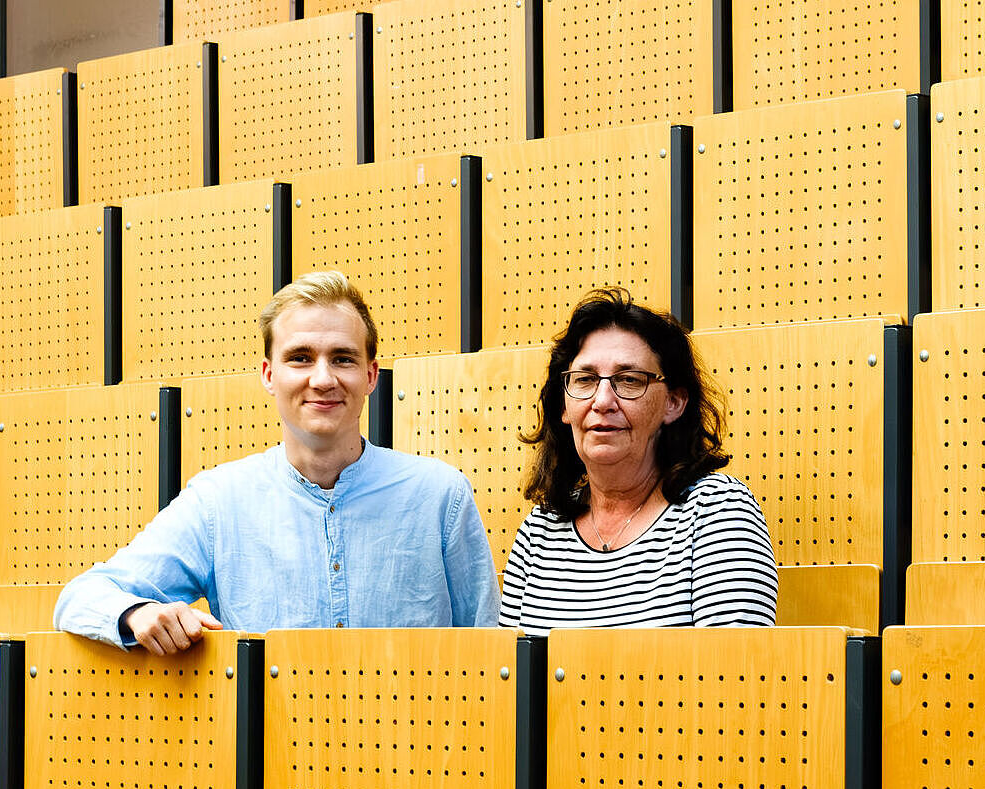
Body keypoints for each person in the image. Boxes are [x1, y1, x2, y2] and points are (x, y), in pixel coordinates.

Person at [55, 271, 500, 653]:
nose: (322, 379)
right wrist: (138, 611)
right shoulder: (217, 503)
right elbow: (81, 597)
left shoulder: (441, 496)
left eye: (342, 358)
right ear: (270, 375)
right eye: (300, 358)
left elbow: (490, 647)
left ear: (370, 376)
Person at [500, 288, 777, 632]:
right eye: (584, 380)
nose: (602, 400)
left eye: (629, 380)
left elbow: (733, 674)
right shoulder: (539, 530)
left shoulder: (716, 509)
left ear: (673, 403)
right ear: (563, 408)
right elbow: (515, 677)